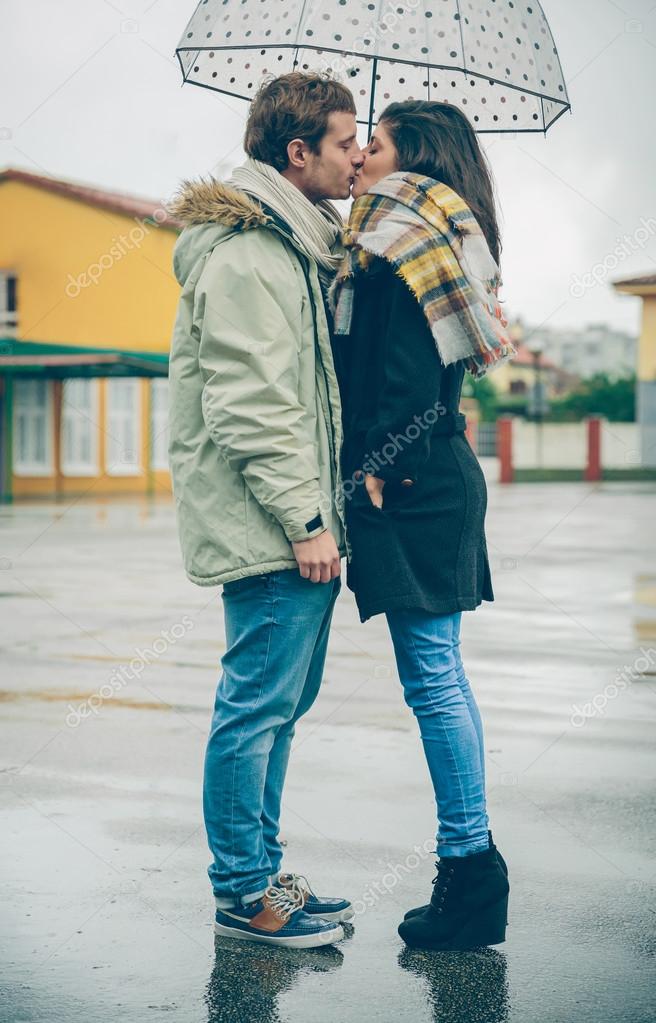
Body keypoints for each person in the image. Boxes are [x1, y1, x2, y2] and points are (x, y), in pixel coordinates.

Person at [167, 73, 364, 948]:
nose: (359, 155)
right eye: (344, 141)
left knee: (275, 710)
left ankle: (261, 875)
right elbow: (251, 406)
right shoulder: (251, 254)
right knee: (253, 712)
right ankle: (243, 892)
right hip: (271, 527)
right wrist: (305, 519)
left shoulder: (293, 246)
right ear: (298, 153)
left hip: (286, 523)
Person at [329, 100, 516, 951]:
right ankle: (470, 871)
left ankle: (469, 873)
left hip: (414, 482)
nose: (363, 153)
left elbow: (403, 376)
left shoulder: (398, 241)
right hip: (436, 471)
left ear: (415, 157)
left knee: (434, 680)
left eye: (379, 141)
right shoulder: (436, 234)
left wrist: (377, 464)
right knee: (441, 676)